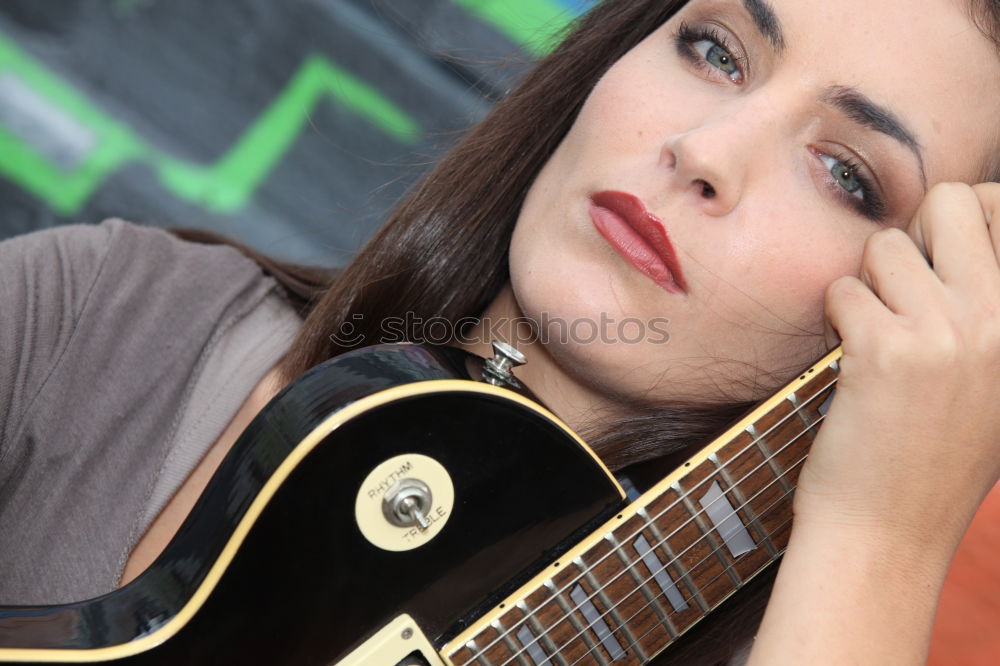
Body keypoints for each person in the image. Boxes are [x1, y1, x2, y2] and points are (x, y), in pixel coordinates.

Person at [1, 0, 999, 663]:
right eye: (716, 50)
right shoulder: (107, 319)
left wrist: (881, 541)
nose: (704, 148)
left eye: (846, 175)